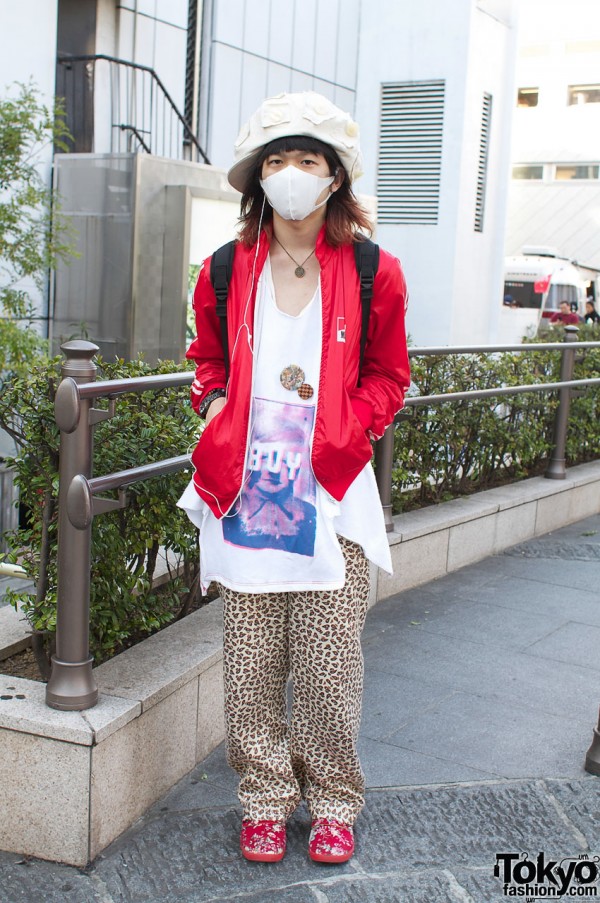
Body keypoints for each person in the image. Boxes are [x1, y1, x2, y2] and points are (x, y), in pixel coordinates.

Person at [178, 91, 410, 865]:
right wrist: (213, 405)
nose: (290, 173)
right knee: (249, 665)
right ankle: (264, 798)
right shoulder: (222, 268)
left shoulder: (376, 269)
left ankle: (336, 799)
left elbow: (390, 374)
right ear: (257, 179)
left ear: (334, 176)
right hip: (246, 491)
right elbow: (205, 360)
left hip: (333, 491)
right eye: (275, 159)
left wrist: (353, 427)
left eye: (306, 159)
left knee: (328, 662)